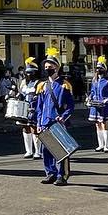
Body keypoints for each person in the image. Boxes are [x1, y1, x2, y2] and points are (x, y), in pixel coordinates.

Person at [34, 49, 75, 186]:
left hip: (57, 123)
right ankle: (50, 173)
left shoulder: (64, 85)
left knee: (62, 150)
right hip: (45, 122)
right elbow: (39, 107)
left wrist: (63, 117)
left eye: (50, 67)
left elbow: (70, 106)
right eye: (46, 67)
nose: (47, 69)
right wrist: (39, 122)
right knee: (47, 150)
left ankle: (62, 175)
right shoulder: (42, 85)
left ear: (57, 67)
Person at [85, 56, 108, 153]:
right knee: (97, 124)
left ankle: (106, 145)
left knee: (105, 124)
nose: (98, 70)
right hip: (95, 105)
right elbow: (92, 92)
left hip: (105, 105)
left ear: (104, 69)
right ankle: (100, 145)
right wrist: (89, 98)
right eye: (97, 68)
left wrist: (107, 100)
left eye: (100, 68)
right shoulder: (94, 80)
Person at [14, 58, 41, 159]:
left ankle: (38, 151)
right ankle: (28, 151)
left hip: (34, 109)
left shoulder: (39, 83)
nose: (28, 74)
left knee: (35, 129)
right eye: (27, 73)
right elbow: (20, 93)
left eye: (31, 73)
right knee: (25, 129)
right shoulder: (24, 83)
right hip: (25, 108)